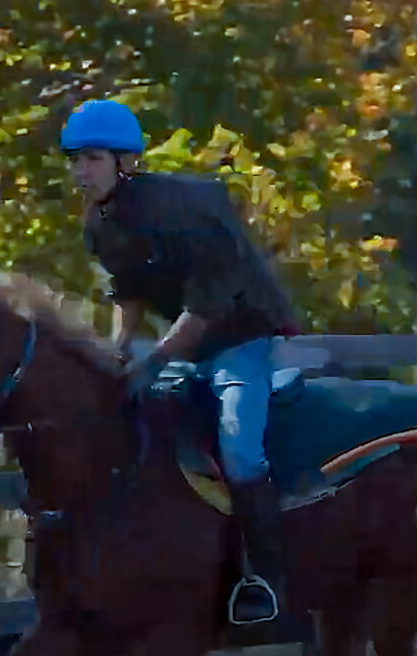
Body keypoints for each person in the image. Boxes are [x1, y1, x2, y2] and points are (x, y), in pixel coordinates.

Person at [60, 97, 301, 626]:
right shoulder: (99, 223)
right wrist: (118, 348)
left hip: (243, 337)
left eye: (93, 158)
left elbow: (208, 307)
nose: (80, 172)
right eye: (74, 159)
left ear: (126, 162)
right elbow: (128, 291)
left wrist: (157, 358)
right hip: (190, 343)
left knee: (239, 449)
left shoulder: (186, 209)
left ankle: (266, 577)